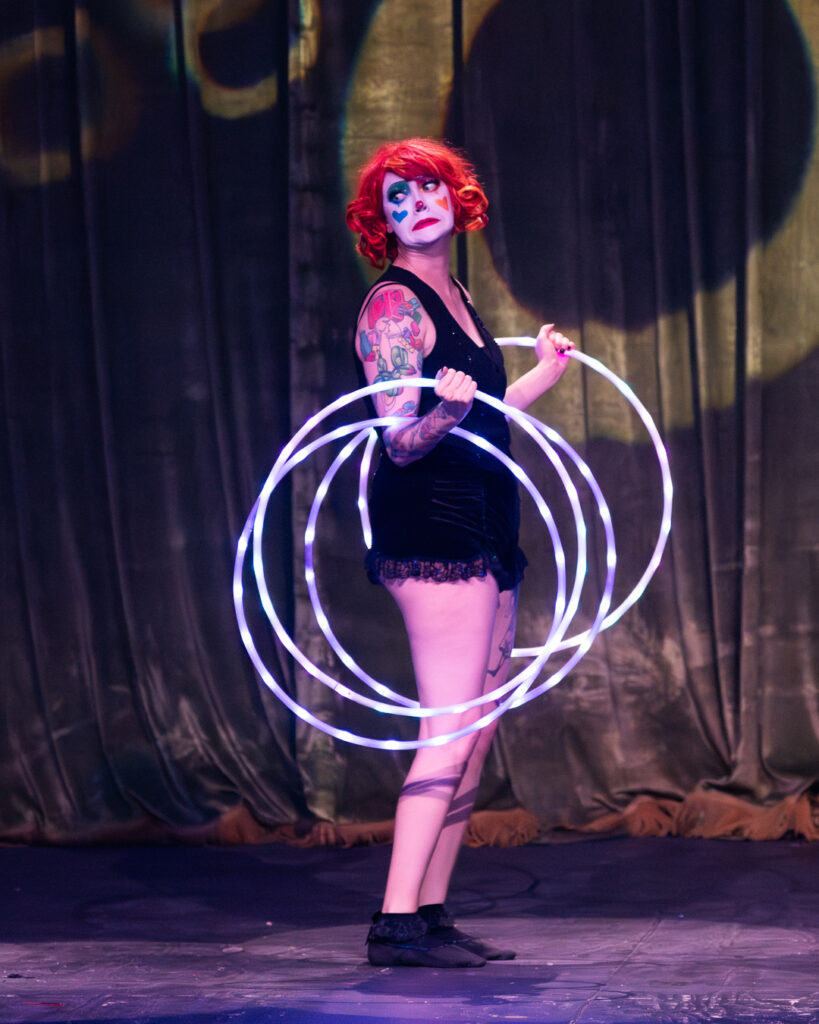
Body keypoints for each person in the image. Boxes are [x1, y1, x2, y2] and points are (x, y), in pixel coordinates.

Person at [345, 138, 574, 968]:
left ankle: (430, 913)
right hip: (432, 525)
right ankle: (393, 922)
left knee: (475, 732)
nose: (416, 207)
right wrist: (440, 412)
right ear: (381, 220)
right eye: (397, 198)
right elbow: (400, 439)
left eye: (427, 189)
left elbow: (486, 412)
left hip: (486, 514)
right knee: (447, 729)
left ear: (456, 196)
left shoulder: (457, 294)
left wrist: (544, 372)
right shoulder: (393, 307)